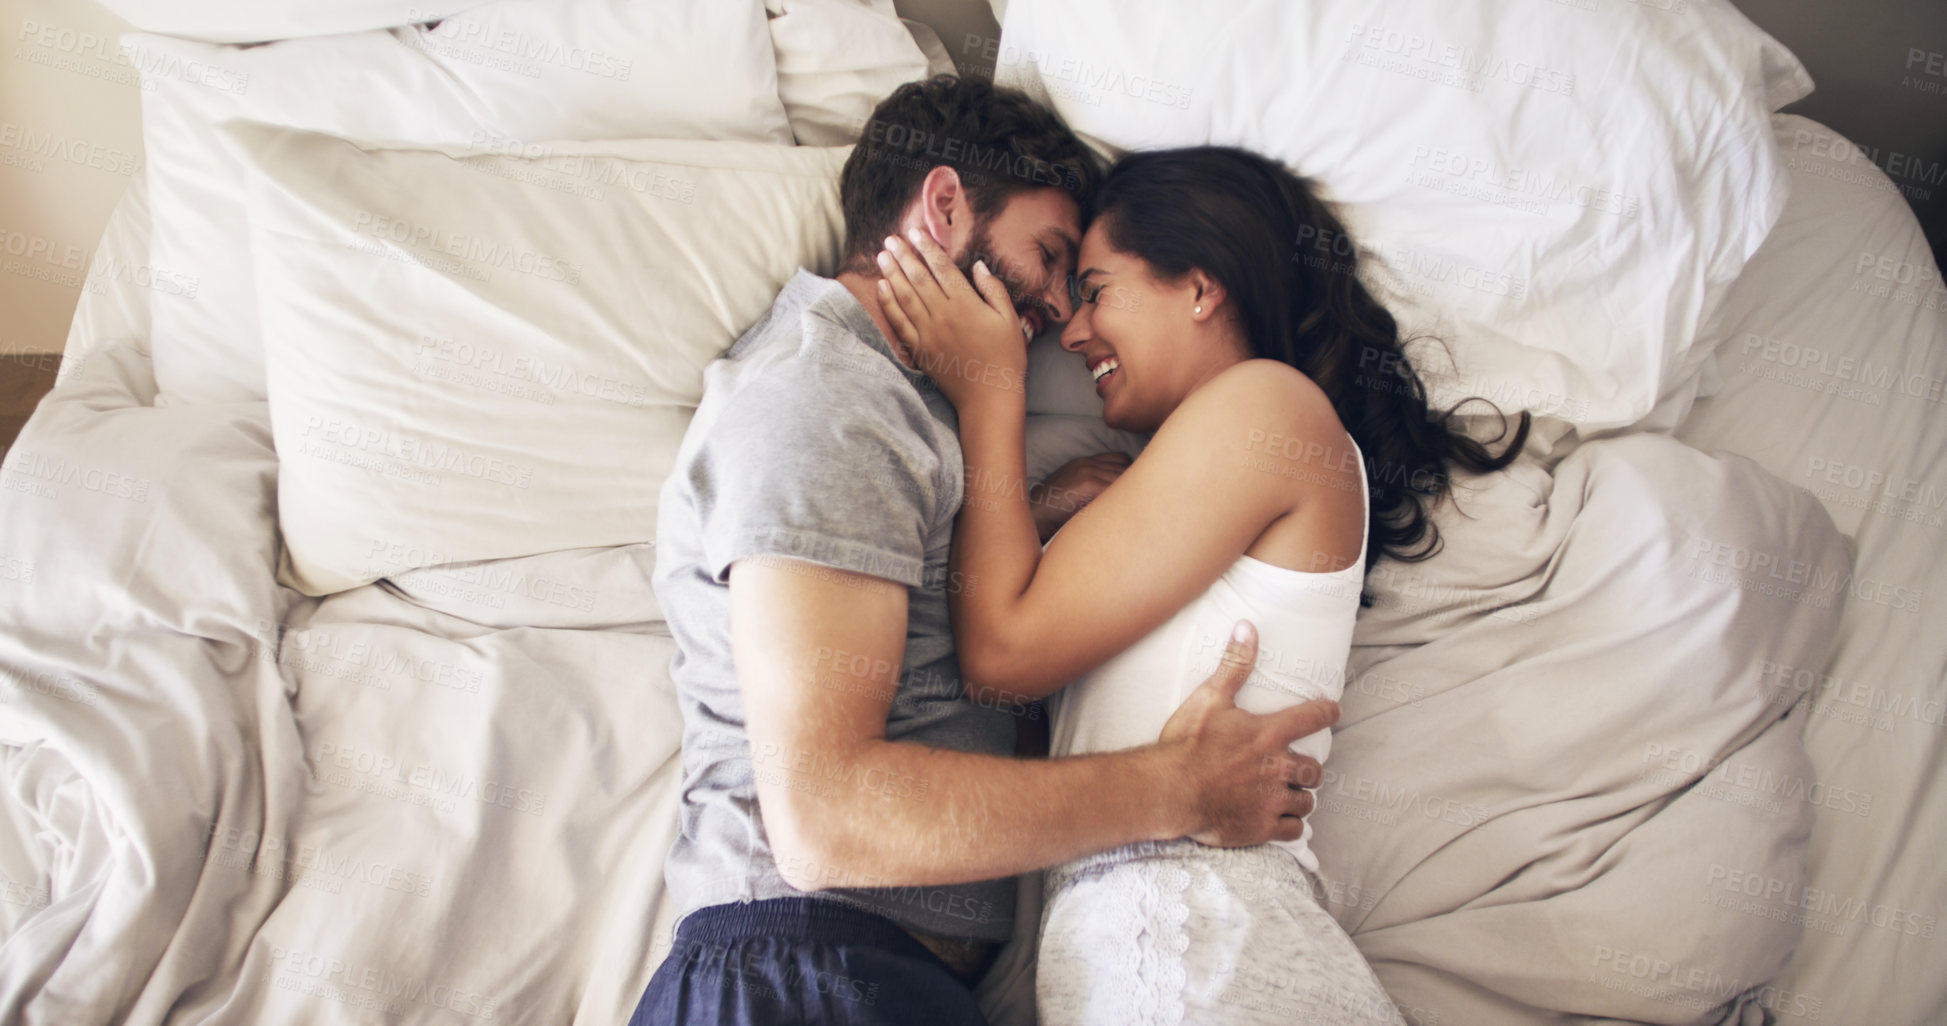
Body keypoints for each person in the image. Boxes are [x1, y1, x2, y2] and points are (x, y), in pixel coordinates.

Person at [630, 79, 1341, 1026]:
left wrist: (1039, 514)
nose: (1055, 310)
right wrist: (1178, 788)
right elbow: (828, 819)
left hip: (878, 980)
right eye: (1050, 260)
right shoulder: (828, 400)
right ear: (943, 205)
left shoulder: (901, 415)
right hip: (797, 969)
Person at [873, 145, 1530, 1024]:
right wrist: (1037, 512)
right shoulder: (1187, 475)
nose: (1071, 333)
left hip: (1199, 945)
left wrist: (993, 392)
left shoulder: (1269, 407)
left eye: (1097, 291)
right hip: (1158, 948)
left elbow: (1000, 653)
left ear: (1200, 286)